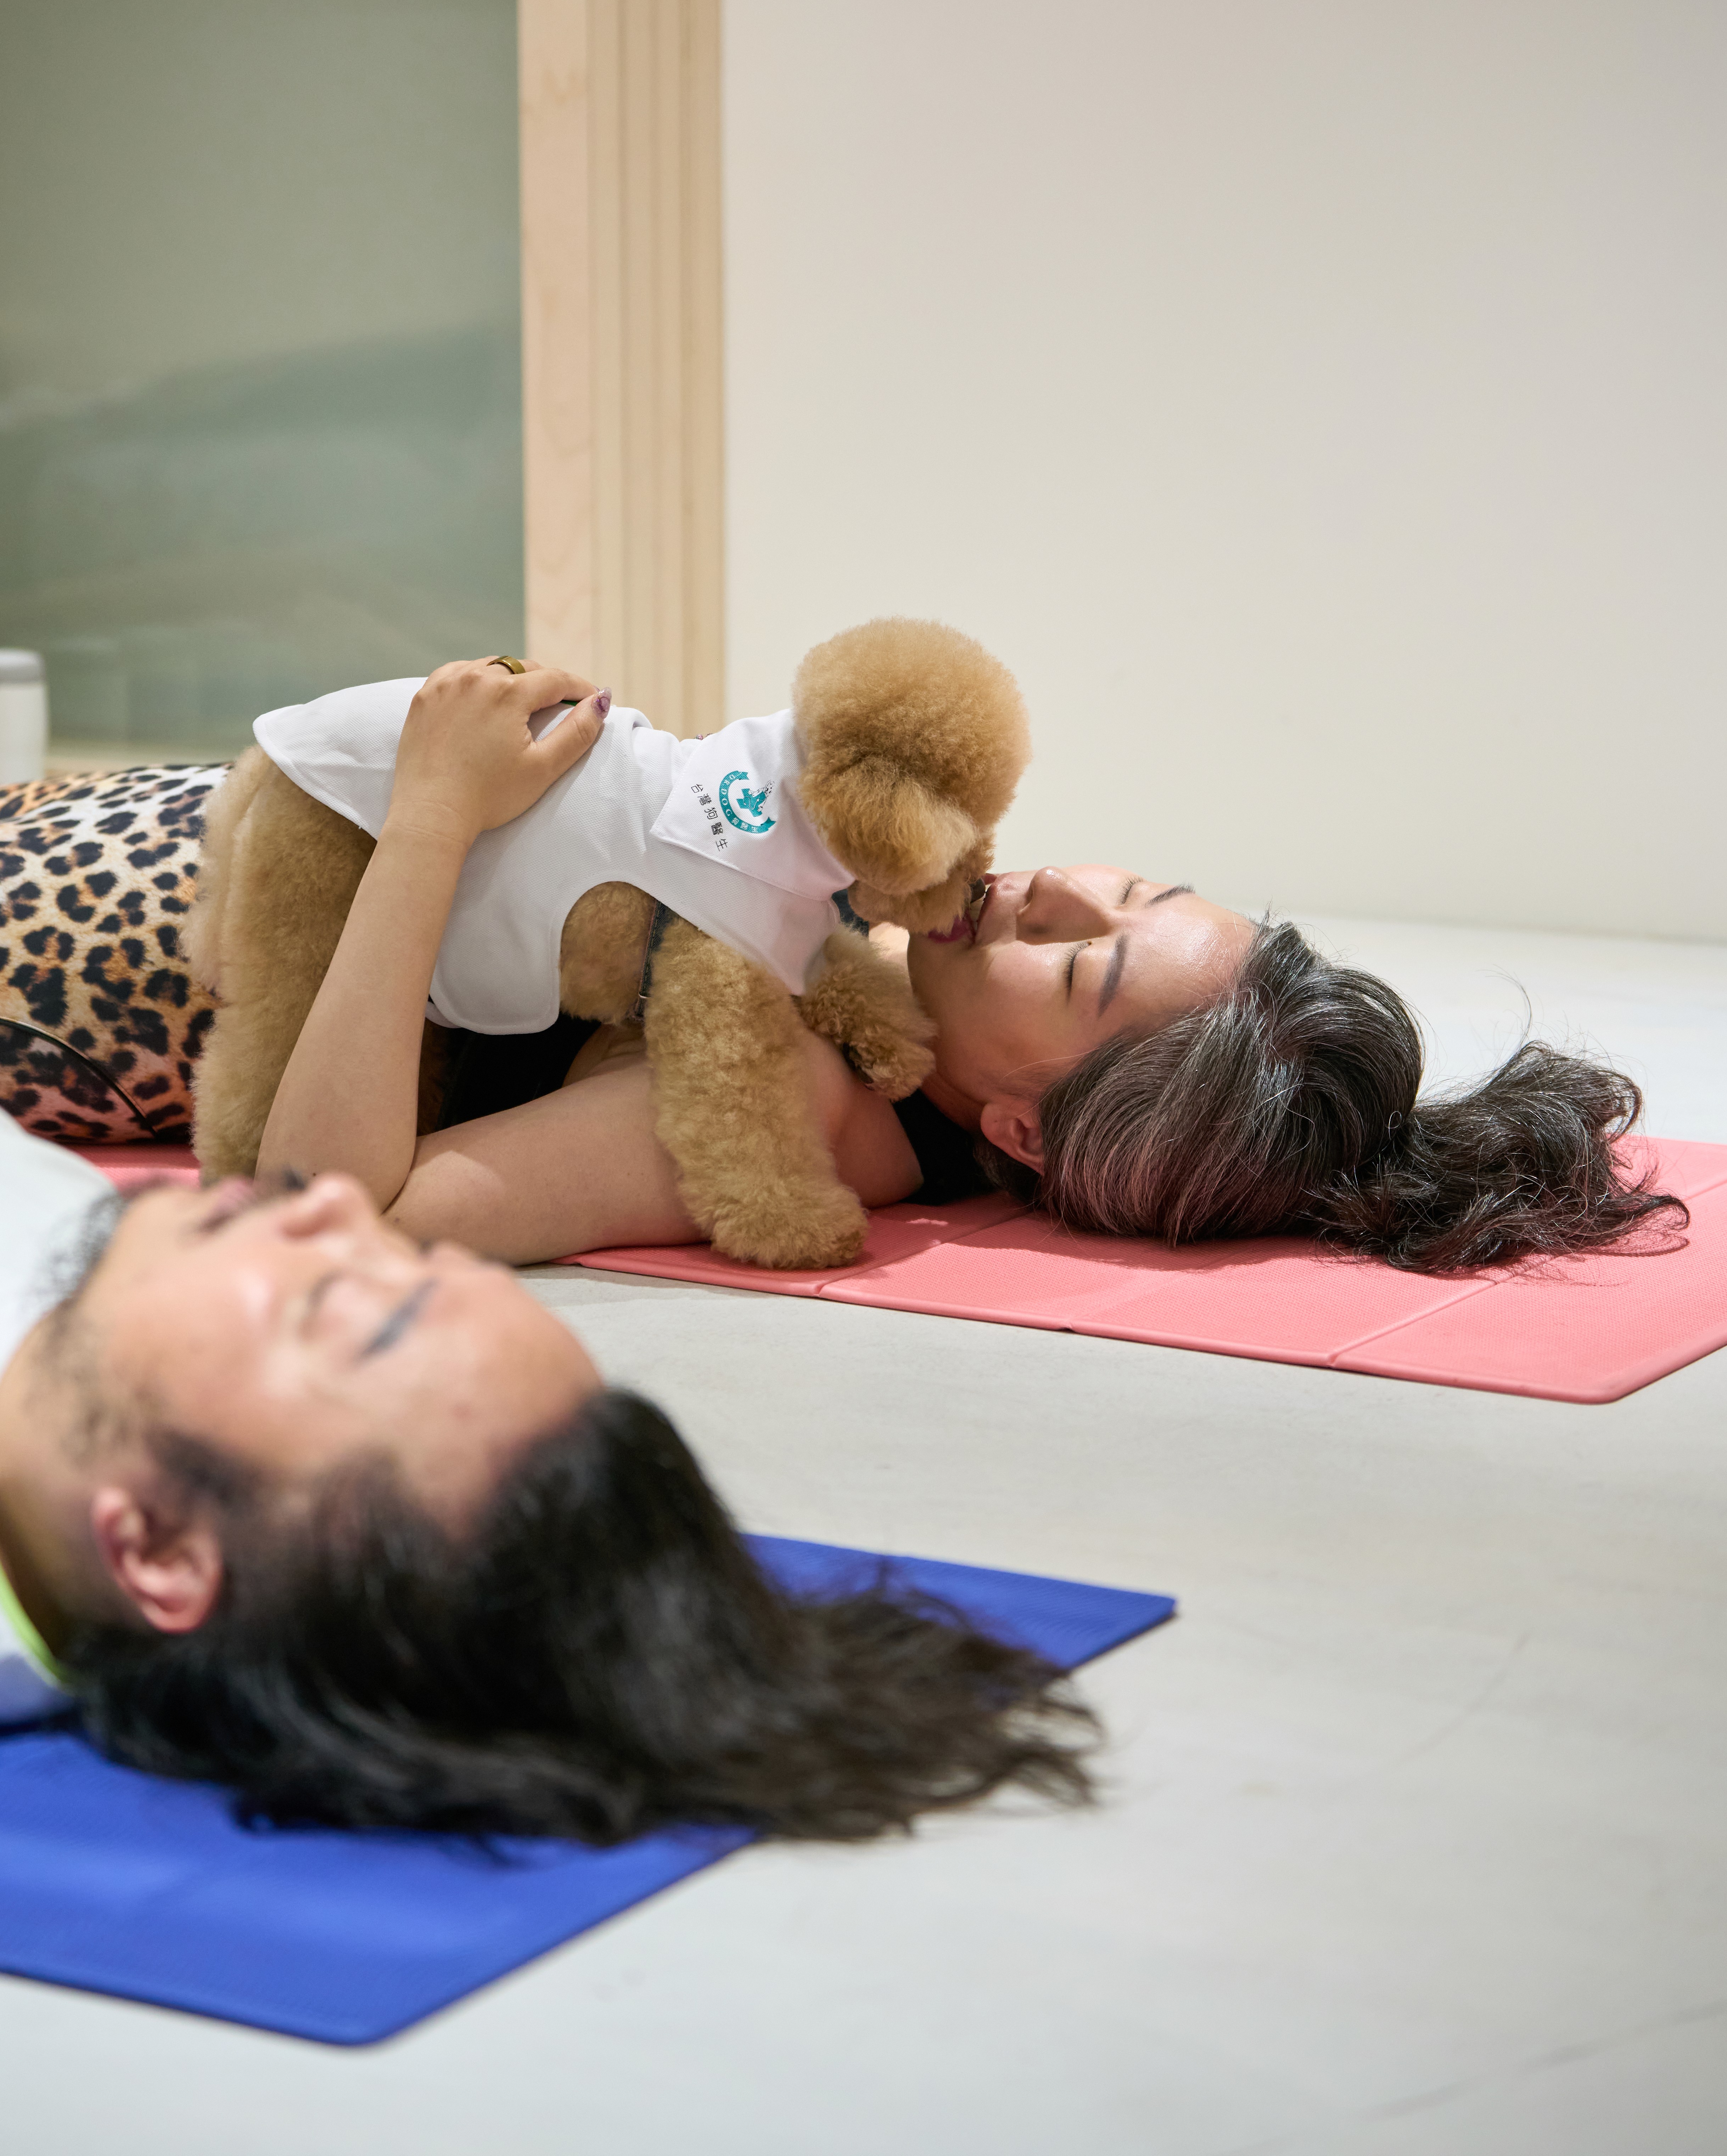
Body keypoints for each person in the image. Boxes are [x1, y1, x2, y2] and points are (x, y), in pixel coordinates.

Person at [1, 661, 1681, 1276]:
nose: (1050, 889)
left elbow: (340, 1206)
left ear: (1020, 1128)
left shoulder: (791, 1108)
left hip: (67, 946)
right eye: (1134, 886)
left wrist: (432, 817)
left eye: (1078, 967)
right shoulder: (875, 944)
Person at [0, 1108, 1094, 1834]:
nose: (336, 1205)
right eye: (415, 1259)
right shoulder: (95, 1273)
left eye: (336, 1301)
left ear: (158, 1548)